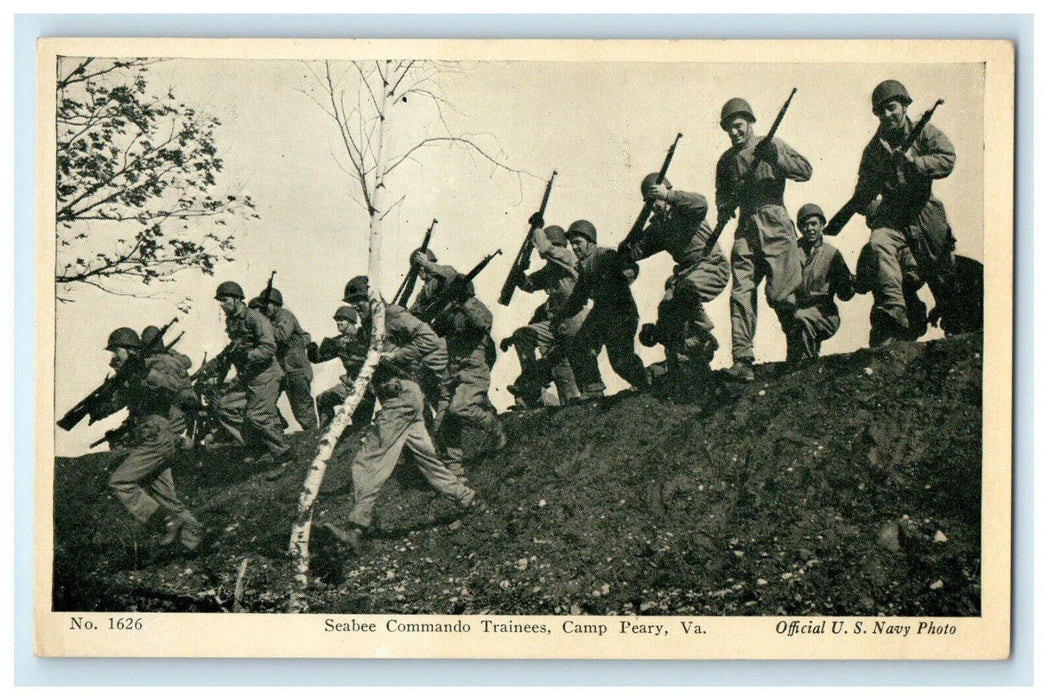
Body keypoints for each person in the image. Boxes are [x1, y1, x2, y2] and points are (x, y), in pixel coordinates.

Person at [323, 277, 479, 549]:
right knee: (427, 460)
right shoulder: (369, 328)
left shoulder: (392, 315)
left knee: (368, 459)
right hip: (403, 398)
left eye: (360, 300)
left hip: (401, 398)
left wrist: (396, 356)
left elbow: (429, 340)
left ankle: (357, 526)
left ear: (373, 298)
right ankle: (467, 498)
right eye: (353, 303)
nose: (357, 306)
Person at [843, 80, 958, 347]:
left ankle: (956, 322)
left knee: (942, 273)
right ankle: (893, 318)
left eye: (892, 108)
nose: (887, 115)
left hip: (925, 213)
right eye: (881, 111)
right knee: (878, 243)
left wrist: (916, 163)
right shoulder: (873, 150)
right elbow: (863, 192)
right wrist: (871, 208)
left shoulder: (924, 132)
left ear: (904, 106)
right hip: (894, 217)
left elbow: (948, 158)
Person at [716, 97, 813, 382]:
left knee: (782, 293)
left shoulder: (772, 144)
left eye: (738, 126)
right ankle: (742, 359)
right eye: (729, 129)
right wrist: (725, 207)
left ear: (750, 123)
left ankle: (799, 350)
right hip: (746, 227)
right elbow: (722, 198)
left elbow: (806, 170)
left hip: (774, 220)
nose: (734, 133)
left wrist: (776, 158)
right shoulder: (726, 161)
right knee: (741, 292)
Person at [99, 327, 204, 551]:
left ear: (128, 349)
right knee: (166, 498)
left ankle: (165, 522)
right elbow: (121, 401)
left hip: (158, 439)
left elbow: (175, 387)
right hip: (152, 438)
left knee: (120, 482)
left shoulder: (153, 365)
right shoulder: (131, 372)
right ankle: (194, 539)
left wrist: (144, 373)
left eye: (116, 350)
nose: (113, 356)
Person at [622, 173, 731, 381]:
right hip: (686, 273)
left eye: (657, 197)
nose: (655, 205)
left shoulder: (685, 210)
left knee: (684, 291)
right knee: (666, 309)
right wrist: (627, 245)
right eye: (650, 200)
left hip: (711, 265)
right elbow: (637, 251)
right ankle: (678, 362)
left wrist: (668, 195)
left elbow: (701, 204)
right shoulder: (659, 227)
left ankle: (704, 335)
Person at [553, 219, 650, 399]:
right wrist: (560, 317)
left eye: (578, 242)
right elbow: (578, 297)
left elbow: (629, 265)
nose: (574, 247)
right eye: (572, 243)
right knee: (580, 346)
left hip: (621, 312)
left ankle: (646, 384)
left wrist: (625, 274)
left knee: (620, 362)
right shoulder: (585, 266)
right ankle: (593, 388)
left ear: (590, 242)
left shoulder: (603, 255)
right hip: (602, 312)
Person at [206, 281, 293, 478]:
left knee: (257, 416)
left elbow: (269, 348)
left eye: (225, 300)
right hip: (247, 375)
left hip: (265, 374)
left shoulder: (256, 318)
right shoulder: (232, 320)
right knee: (223, 406)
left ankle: (283, 454)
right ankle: (255, 446)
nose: (221, 304)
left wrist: (246, 355)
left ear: (237, 300)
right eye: (220, 300)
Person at [427, 268, 507, 482]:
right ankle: (456, 472)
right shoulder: (448, 314)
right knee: (442, 422)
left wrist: (464, 301)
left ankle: (494, 427)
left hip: (473, 368)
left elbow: (484, 322)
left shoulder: (473, 307)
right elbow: (433, 331)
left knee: (461, 407)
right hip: (452, 371)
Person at [503, 220, 585, 408]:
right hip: (557, 325)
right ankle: (532, 382)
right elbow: (530, 285)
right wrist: (519, 277)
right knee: (523, 335)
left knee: (569, 389)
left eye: (555, 245)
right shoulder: (550, 270)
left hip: (576, 322)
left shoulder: (569, 258)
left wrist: (537, 230)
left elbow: (546, 248)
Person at [786, 204, 856, 363]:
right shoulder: (792, 253)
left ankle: (806, 363)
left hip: (825, 313)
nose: (809, 229)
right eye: (805, 225)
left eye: (814, 224)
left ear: (822, 225)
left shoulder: (832, 254)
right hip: (797, 310)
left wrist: (850, 283)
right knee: (795, 339)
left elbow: (845, 293)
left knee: (800, 320)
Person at [254, 287, 318, 431]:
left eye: (267, 304)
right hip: (282, 371)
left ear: (276, 304)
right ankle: (279, 426)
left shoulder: (285, 316)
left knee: (302, 411)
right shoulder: (270, 320)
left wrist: (263, 325)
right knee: (264, 402)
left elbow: (282, 336)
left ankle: (313, 437)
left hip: (296, 371)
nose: (264, 308)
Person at [307, 305, 376, 432]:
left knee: (360, 428)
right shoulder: (338, 342)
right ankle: (324, 432)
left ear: (350, 321)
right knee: (323, 399)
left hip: (367, 389)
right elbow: (318, 358)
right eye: (337, 320)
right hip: (349, 386)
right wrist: (311, 349)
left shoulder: (365, 336)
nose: (338, 323)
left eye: (341, 320)